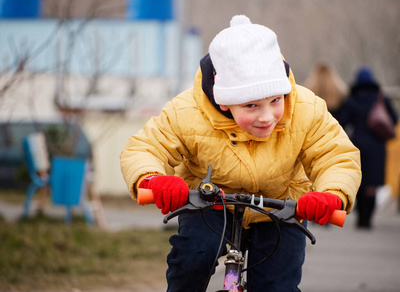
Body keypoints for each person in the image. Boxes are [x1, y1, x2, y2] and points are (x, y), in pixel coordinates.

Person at [120, 15, 361, 291]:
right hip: (208, 202)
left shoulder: (307, 108)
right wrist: (152, 179)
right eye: (251, 106)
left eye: (275, 100)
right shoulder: (186, 111)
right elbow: (145, 147)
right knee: (190, 264)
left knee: (278, 284)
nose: (267, 116)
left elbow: (336, 155)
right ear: (224, 102)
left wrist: (331, 194)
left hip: (281, 205)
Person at [337, 66, 398, 230]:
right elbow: (393, 118)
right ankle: (367, 220)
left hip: (356, 144)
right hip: (377, 146)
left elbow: (342, 121)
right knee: (371, 184)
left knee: (358, 180)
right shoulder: (380, 98)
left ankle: (360, 218)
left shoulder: (352, 98)